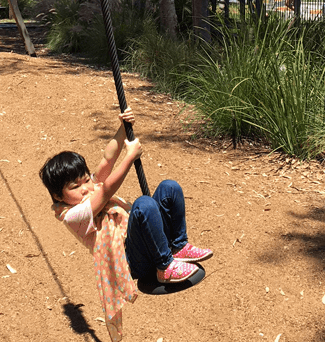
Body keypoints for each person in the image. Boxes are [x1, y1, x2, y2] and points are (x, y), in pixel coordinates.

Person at [40, 108, 213, 341]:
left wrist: (123, 129)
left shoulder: (90, 188)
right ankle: (165, 268)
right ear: (59, 196)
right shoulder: (74, 215)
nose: (85, 188)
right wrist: (130, 157)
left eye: (85, 180)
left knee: (169, 188)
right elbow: (108, 189)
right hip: (132, 261)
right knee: (144, 206)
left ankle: (178, 245)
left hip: (148, 243)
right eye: (75, 187)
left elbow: (107, 159)